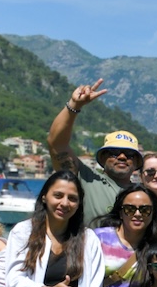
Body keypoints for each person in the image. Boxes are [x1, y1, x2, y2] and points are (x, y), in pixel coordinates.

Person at [47, 79, 137, 222]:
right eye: (114, 152)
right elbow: (56, 144)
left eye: (129, 154)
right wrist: (74, 106)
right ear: (103, 157)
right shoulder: (85, 179)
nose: (121, 156)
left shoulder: (142, 195)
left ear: (137, 161)